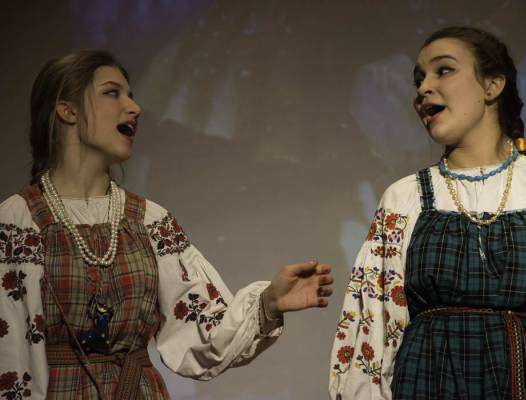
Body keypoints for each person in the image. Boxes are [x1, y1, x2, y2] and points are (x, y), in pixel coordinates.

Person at [0, 50, 334, 399]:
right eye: (112, 93)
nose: (134, 107)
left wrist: (268, 302)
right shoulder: (18, 221)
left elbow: (200, 334)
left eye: (130, 95)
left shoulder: (149, 220)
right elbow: (9, 351)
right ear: (67, 110)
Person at [329, 26, 526, 399]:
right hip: (431, 383)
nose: (423, 88)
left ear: (492, 86)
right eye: (419, 79)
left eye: (443, 70)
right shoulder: (404, 198)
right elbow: (371, 333)